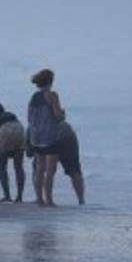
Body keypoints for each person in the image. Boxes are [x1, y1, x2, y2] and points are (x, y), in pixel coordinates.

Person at [27, 69, 84, 206]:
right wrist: (63, 114)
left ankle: (39, 199)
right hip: (50, 138)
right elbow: (58, 116)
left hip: (36, 137)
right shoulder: (52, 95)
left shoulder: (34, 97)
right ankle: (50, 200)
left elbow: (29, 118)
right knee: (50, 170)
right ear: (50, 81)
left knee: (40, 169)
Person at [0, 103, 26, 203]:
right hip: (19, 129)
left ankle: (7, 196)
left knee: (2, 167)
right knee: (18, 167)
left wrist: (2, 148)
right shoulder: (11, 115)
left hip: (5, 130)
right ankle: (19, 197)